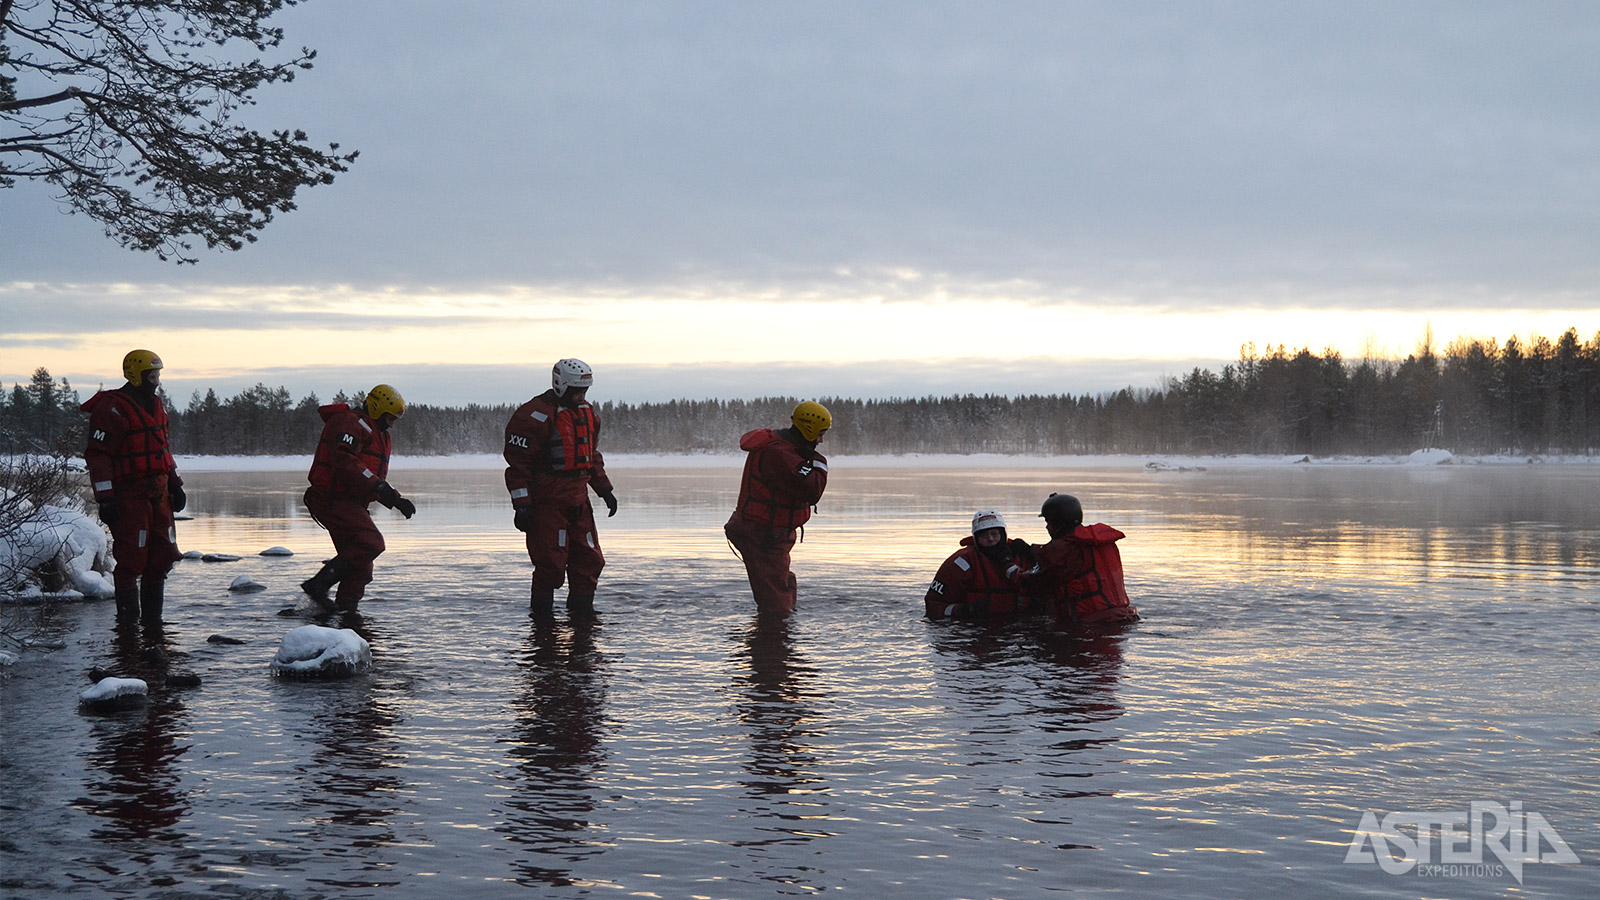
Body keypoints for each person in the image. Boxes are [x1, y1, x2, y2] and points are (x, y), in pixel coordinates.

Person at [504, 359, 618, 620]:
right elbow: (518, 466)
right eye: (576, 390)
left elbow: (591, 455)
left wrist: (604, 489)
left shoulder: (588, 414)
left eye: (585, 390)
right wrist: (522, 505)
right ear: (560, 385)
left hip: (579, 499)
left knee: (590, 561)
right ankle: (542, 625)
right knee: (551, 563)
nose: (581, 396)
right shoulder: (533, 416)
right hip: (548, 502)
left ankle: (583, 619)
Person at [82, 349, 185, 625]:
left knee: (161, 556)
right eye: (152, 376)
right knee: (131, 559)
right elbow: (98, 456)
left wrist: (176, 484)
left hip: (159, 494)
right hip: (130, 497)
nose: (157, 381)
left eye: (158, 375)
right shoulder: (112, 409)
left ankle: (153, 626)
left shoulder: (158, 406)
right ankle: (127, 631)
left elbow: (162, 450)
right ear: (136, 376)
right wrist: (106, 498)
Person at [299, 384, 416, 611]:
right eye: (389, 418)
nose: (391, 424)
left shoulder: (376, 432)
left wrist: (395, 500)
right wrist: (384, 491)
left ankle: (345, 615)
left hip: (349, 501)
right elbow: (345, 461)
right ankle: (318, 585)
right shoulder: (350, 423)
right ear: (376, 410)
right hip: (330, 498)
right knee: (370, 542)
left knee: (361, 566)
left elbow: (369, 478)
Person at [724, 401, 831, 615]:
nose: (820, 440)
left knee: (784, 586)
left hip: (768, 533)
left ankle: (776, 637)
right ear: (808, 429)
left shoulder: (786, 449)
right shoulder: (780, 454)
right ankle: (772, 643)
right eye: (820, 434)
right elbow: (813, 489)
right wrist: (819, 462)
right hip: (762, 534)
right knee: (777, 606)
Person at [1017, 493, 1140, 630]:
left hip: (1091, 626)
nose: (1047, 527)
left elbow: (1038, 584)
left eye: (1048, 522)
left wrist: (1010, 568)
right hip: (1125, 618)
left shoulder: (1067, 550)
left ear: (1058, 524)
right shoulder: (1102, 543)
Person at [924, 509, 1039, 620]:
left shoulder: (1022, 555)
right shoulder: (961, 563)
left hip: (1017, 625)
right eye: (984, 536)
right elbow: (933, 606)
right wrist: (964, 610)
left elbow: (1049, 577)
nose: (990, 539)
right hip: (976, 627)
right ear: (976, 539)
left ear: (1003, 535)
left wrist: (1034, 554)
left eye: (994, 534)